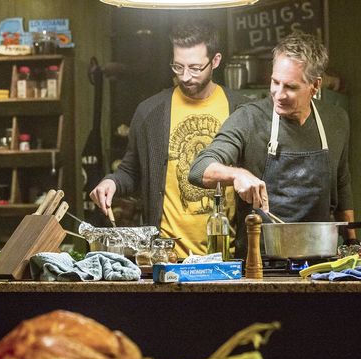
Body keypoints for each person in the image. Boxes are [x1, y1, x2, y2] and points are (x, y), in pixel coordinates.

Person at [189, 32, 356, 257]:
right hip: (259, 262)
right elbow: (199, 169)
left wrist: (352, 242)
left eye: (290, 87)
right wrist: (237, 175)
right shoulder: (248, 118)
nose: (279, 94)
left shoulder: (336, 120)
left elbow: (342, 183)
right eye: (275, 82)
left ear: (315, 86)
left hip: (321, 258)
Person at [90, 20, 247, 258]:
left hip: (229, 257)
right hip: (168, 258)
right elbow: (130, 171)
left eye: (195, 68)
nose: (185, 77)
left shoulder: (241, 110)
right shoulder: (150, 112)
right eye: (178, 67)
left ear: (215, 61)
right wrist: (111, 182)